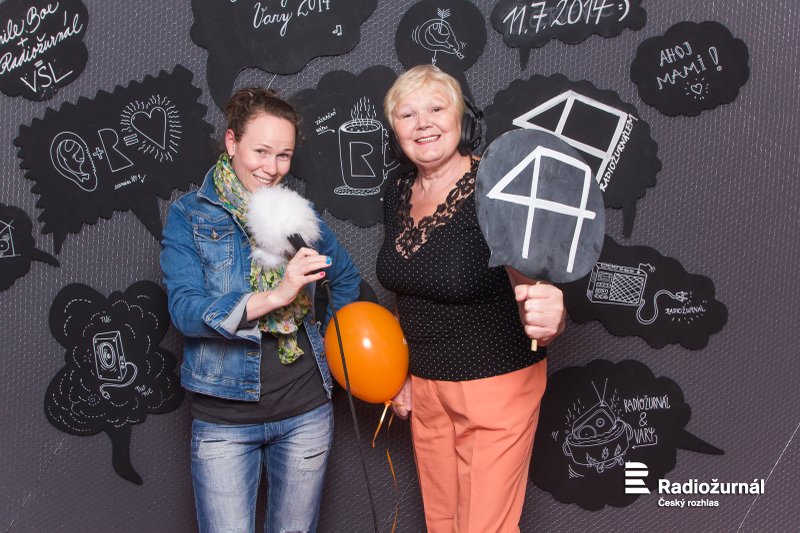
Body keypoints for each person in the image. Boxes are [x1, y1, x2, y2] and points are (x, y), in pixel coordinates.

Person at [160, 87, 361, 533]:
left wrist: (330, 349)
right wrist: (276, 295)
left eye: (284, 155)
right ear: (232, 142)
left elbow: (345, 278)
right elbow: (186, 311)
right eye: (261, 151)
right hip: (224, 421)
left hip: (306, 412)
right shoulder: (189, 216)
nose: (272, 168)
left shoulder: (297, 215)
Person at [376, 65, 566, 533]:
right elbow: (408, 288)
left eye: (436, 109)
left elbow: (537, 287)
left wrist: (551, 314)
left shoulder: (498, 184)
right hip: (427, 385)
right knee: (442, 523)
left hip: (495, 380)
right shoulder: (396, 191)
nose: (423, 123)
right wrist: (398, 371)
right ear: (395, 130)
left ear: (462, 118)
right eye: (407, 114)